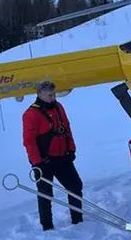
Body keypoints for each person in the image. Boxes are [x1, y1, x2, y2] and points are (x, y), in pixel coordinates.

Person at [22, 80, 84, 231]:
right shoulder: (31, 114)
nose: (52, 97)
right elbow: (29, 141)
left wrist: (71, 149)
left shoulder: (58, 107)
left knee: (75, 186)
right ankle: (47, 225)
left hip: (63, 156)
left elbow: (67, 128)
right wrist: (38, 162)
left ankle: (78, 220)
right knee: (45, 193)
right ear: (40, 95)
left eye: (54, 94)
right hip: (44, 160)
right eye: (49, 95)